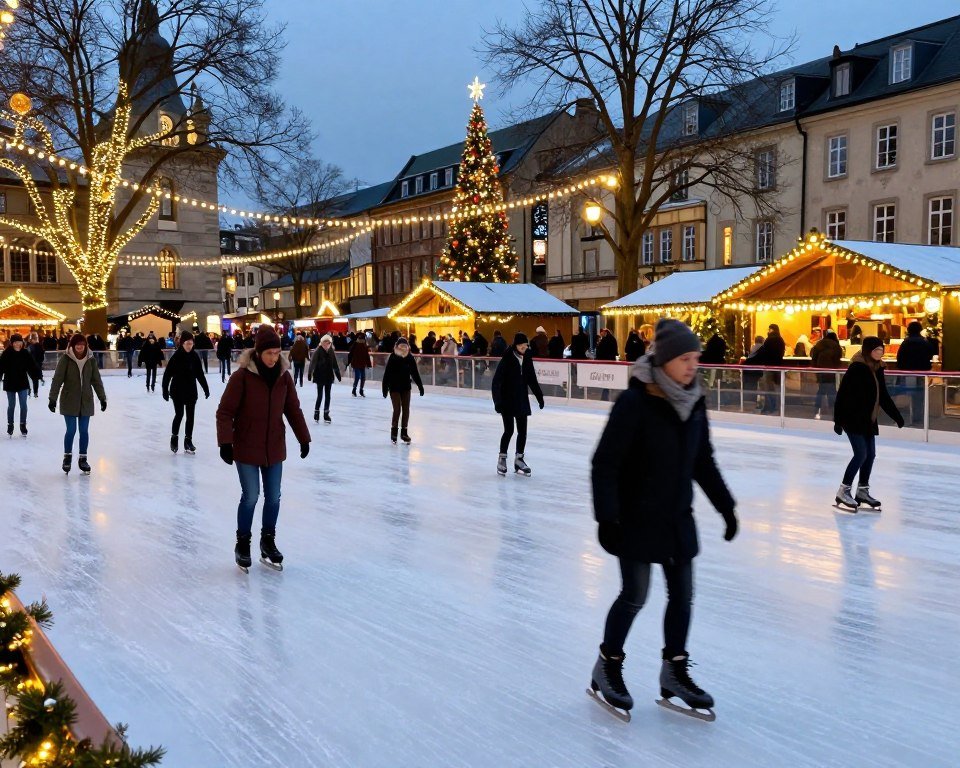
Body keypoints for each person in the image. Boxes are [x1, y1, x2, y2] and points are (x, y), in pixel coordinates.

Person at [589, 319, 737, 721]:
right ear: (665, 359)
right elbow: (605, 463)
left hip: (676, 518)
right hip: (635, 518)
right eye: (686, 359)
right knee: (635, 595)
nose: (693, 366)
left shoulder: (694, 401)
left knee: (683, 597)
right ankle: (608, 667)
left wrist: (726, 506)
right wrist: (608, 518)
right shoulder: (634, 403)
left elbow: (702, 460)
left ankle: (674, 671)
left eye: (696, 358)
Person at [216, 325, 311, 572]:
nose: (273, 358)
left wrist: (304, 438)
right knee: (250, 497)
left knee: (274, 497)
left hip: (274, 446)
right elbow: (225, 412)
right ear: (258, 353)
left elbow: (293, 409)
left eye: (277, 352)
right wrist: (225, 442)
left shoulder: (284, 376)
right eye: (269, 353)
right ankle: (243, 544)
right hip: (246, 447)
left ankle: (267, 542)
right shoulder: (242, 377)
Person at [833, 336, 903, 511]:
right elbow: (842, 394)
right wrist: (838, 420)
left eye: (881, 350)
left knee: (870, 454)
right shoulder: (857, 367)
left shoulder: (878, 368)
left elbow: (883, 395)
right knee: (861, 454)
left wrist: (896, 416)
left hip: (868, 419)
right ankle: (843, 491)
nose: (880, 353)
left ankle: (862, 491)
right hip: (852, 417)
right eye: (876, 350)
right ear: (868, 351)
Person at [49, 333, 107, 475]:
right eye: (77, 344)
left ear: (85, 345)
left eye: (82, 344)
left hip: (86, 401)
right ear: (72, 346)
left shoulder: (91, 359)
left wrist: (102, 398)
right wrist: (52, 398)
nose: (79, 347)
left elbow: (96, 380)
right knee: (71, 430)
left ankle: (83, 458)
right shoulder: (66, 359)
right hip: (69, 400)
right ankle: (67, 457)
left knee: (84, 431)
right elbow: (57, 379)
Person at [491, 332, 544, 477]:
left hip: (521, 399)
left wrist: (539, 397)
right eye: (521, 346)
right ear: (516, 346)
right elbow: (496, 382)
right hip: (506, 400)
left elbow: (531, 378)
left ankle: (519, 460)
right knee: (509, 431)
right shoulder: (507, 358)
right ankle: (502, 459)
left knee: (522, 432)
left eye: (526, 346)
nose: (524, 348)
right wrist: (497, 402)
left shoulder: (527, 357)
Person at [162, 331, 210, 455]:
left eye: (191, 343)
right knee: (179, 415)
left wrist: (205, 388)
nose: (189, 346)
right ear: (182, 343)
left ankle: (188, 441)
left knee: (190, 417)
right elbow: (167, 375)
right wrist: (164, 390)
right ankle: (174, 438)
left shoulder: (194, 356)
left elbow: (200, 374)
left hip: (191, 391)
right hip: (177, 391)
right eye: (187, 343)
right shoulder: (176, 357)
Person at [381, 337, 425, 444]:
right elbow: (387, 373)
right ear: (397, 346)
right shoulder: (393, 357)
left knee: (406, 409)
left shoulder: (409, 357)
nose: (403, 349)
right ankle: (394, 432)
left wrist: (420, 386)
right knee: (397, 409)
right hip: (394, 387)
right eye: (401, 346)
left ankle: (404, 433)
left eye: (405, 347)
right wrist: (385, 388)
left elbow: (414, 372)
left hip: (406, 387)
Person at [0, 333, 43, 436]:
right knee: (12, 405)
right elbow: (0, 367)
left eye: (19, 342)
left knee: (23, 405)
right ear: (12, 343)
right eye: (15, 342)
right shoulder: (7, 353)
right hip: (10, 383)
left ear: (22, 343)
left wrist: (38, 375)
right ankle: (10, 424)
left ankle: (23, 424)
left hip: (22, 383)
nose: (17, 344)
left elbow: (32, 366)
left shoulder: (25, 353)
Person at [896, 321, 934, 425]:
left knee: (909, 394)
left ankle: (908, 417)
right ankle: (919, 417)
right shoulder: (925, 342)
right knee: (920, 395)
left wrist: (901, 370)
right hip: (922, 372)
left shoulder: (906, 343)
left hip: (908, 372)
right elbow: (930, 355)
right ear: (920, 330)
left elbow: (899, 358)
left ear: (908, 330)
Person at [745, 324, 785, 414]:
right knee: (777, 387)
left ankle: (769, 406)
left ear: (771, 329)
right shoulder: (781, 340)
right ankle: (777, 407)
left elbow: (764, 352)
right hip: (778, 367)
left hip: (769, 366)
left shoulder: (769, 340)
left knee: (768, 388)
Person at [307, 333, 341, 423]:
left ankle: (326, 414)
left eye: (329, 343)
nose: (327, 344)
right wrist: (310, 373)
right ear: (322, 342)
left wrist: (338, 374)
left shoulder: (331, 351)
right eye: (326, 342)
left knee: (328, 396)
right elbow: (312, 363)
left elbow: (334, 363)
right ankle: (316, 412)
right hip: (319, 376)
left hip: (329, 376)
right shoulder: (318, 351)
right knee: (320, 395)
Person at [809, 330, 842, 419]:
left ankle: (817, 409)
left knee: (821, 389)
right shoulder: (835, 345)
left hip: (820, 371)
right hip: (831, 372)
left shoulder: (819, 344)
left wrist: (816, 369)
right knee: (831, 391)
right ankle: (834, 411)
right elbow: (838, 359)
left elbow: (813, 357)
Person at [347, 332, 372, 397]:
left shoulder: (364, 346)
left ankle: (361, 390)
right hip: (356, 364)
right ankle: (354, 389)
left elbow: (367, 356)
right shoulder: (355, 345)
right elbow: (350, 354)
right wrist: (348, 362)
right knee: (357, 377)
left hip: (362, 364)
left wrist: (368, 364)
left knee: (363, 377)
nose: (362, 340)